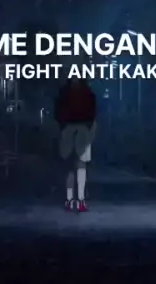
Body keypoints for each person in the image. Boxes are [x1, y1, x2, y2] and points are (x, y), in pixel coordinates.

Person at [54, 76, 97, 212]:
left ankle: (71, 199)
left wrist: (62, 127)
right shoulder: (87, 92)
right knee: (79, 166)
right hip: (81, 129)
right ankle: (79, 200)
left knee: (71, 166)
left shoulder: (65, 92)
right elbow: (93, 112)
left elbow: (58, 112)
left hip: (70, 129)